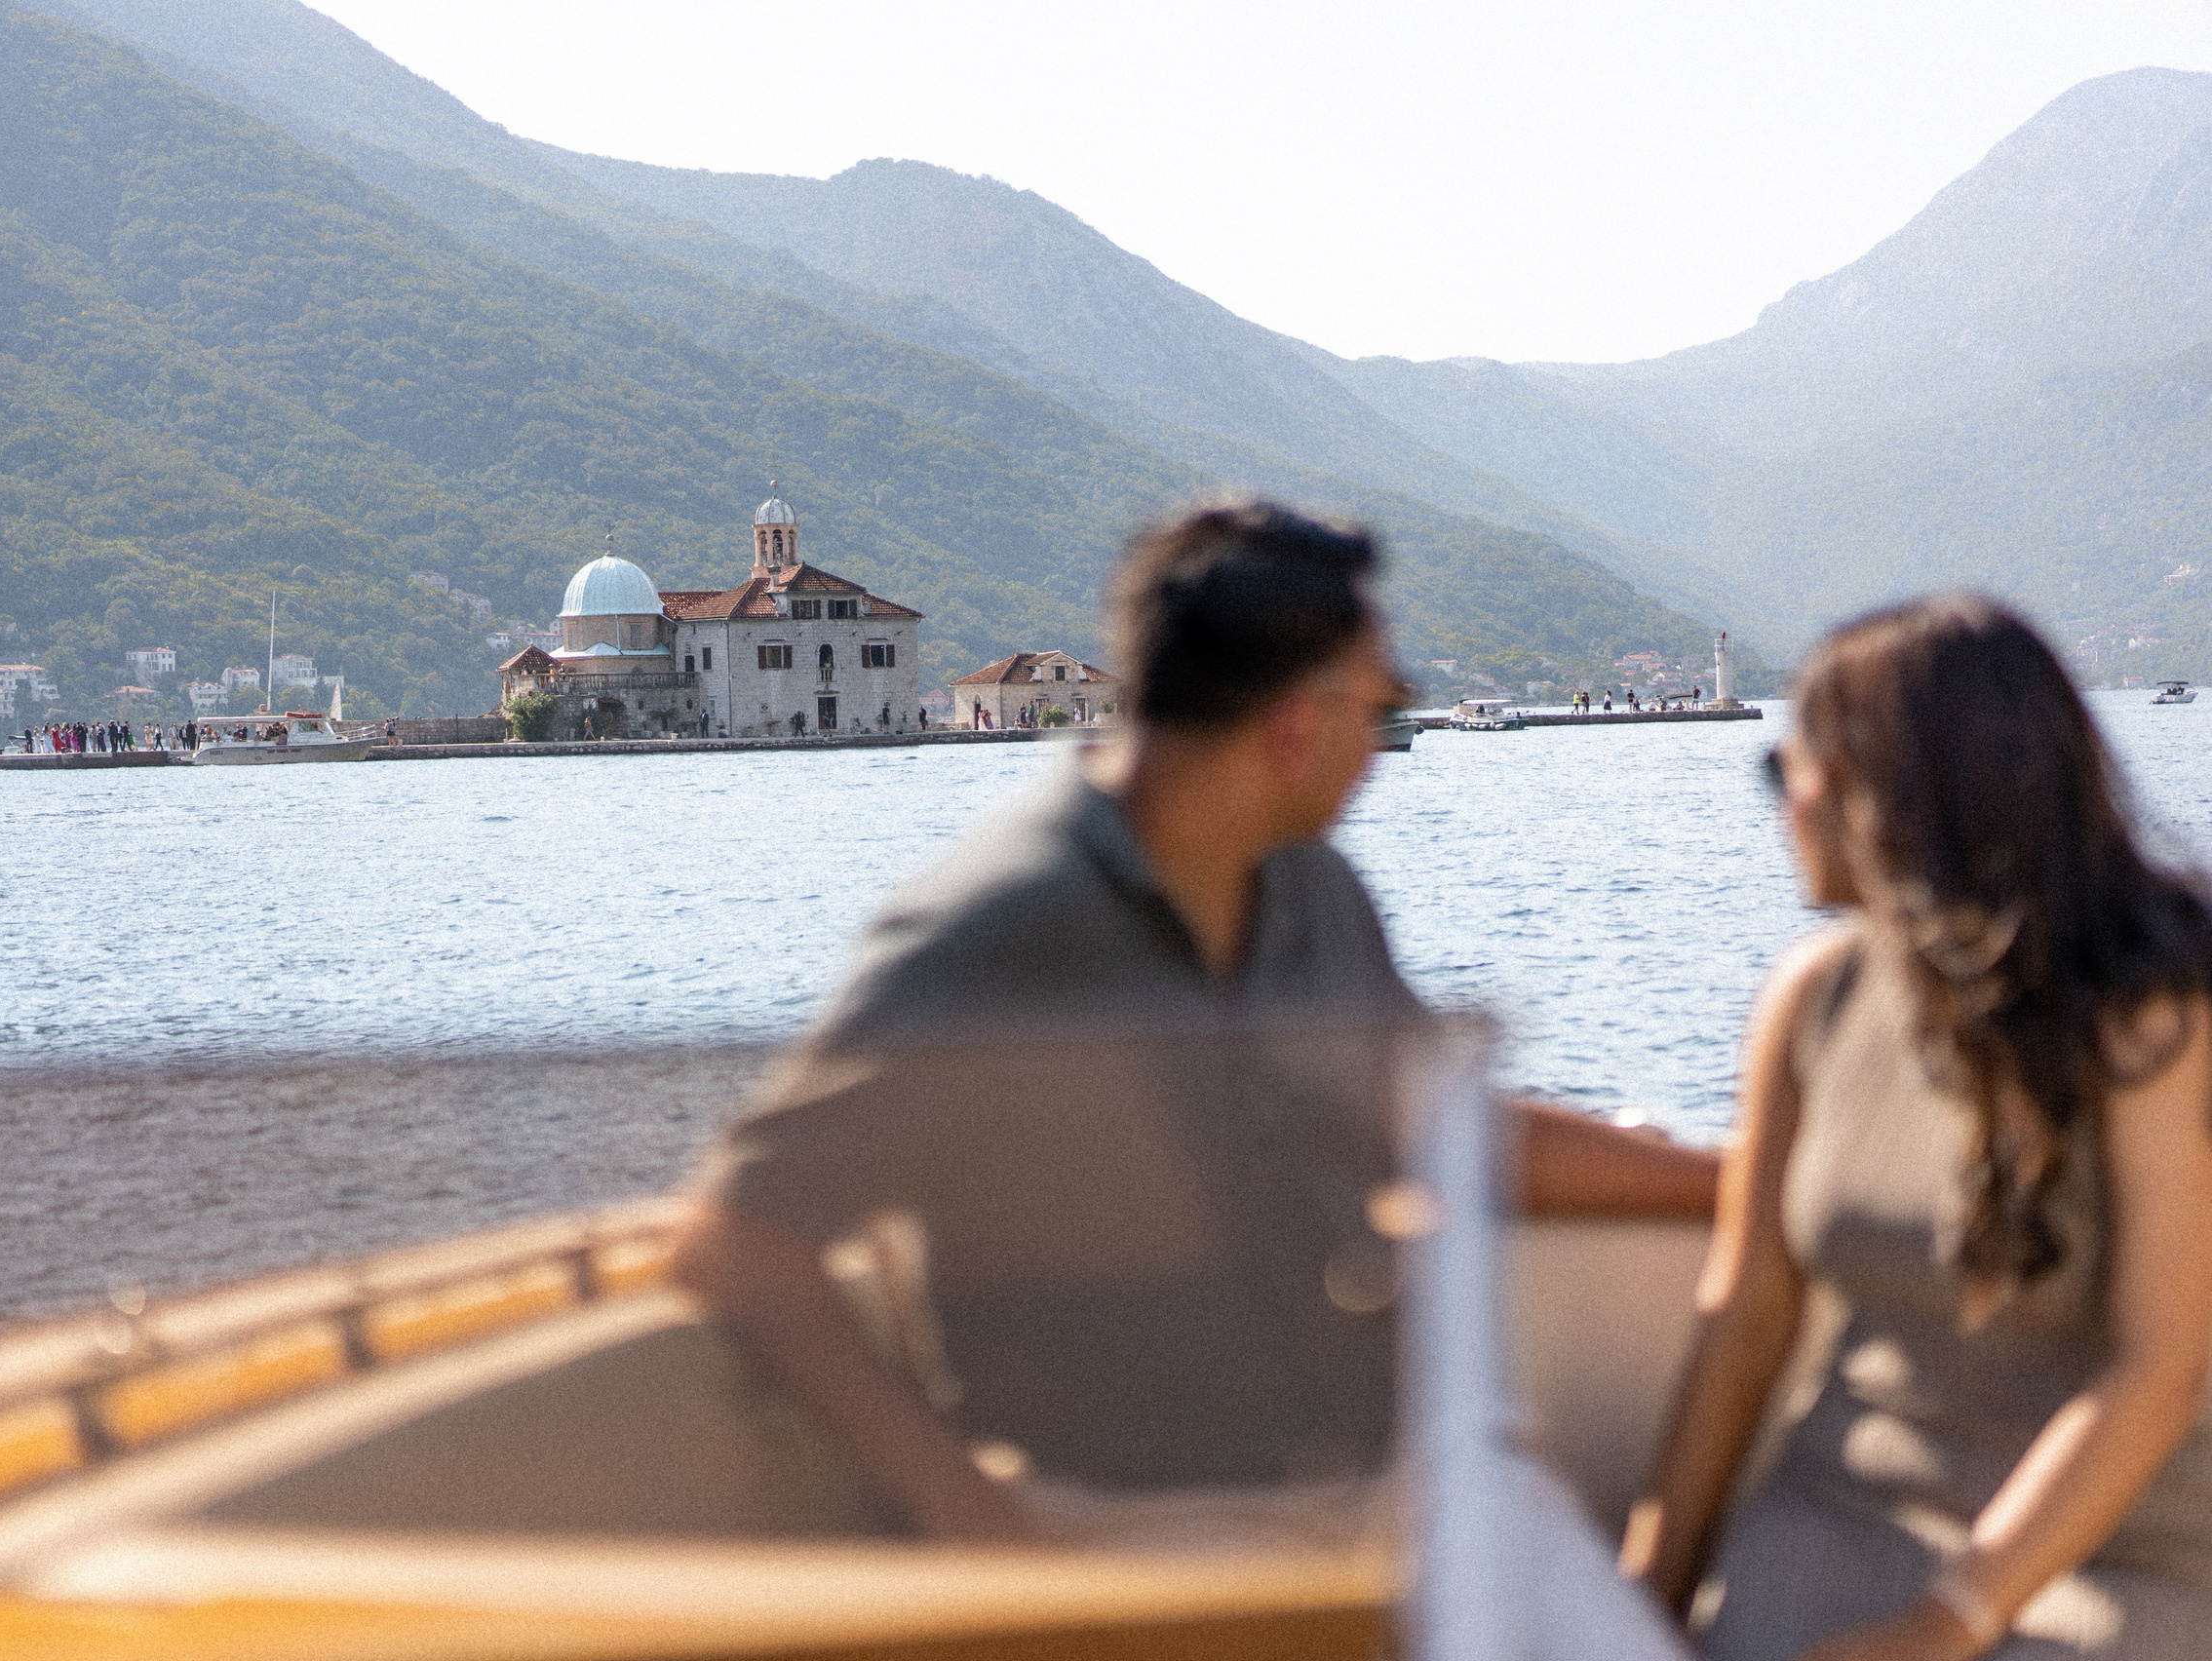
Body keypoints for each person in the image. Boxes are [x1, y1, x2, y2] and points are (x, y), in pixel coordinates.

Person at [675, 499, 1717, 1550]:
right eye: (1384, 699)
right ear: (1298, 722)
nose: (1382, 737)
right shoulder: (1003, 928)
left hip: (1392, 1485)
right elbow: (741, 1240)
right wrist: (966, 1513)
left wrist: (1741, 1180)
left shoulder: (1311, 890)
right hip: (1149, 1526)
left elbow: (1445, 1130)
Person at [1622, 596, 2212, 1661]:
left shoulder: (2152, 1012)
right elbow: (1745, 1317)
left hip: (2102, 1561)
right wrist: (1639, 1597)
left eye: (1785, 772)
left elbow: (2160, 1363)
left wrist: (1948, 1623)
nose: (1782, 806)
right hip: (1830, 1528)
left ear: (1888, 790)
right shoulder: (1812, 1001)